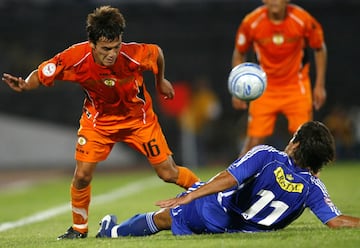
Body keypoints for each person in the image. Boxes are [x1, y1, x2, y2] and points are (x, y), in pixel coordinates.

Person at [1, 6, 200, 239]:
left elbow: (157, 54)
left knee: (168, 173)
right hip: (98, 123)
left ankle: (211, 195)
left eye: (116, 47)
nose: (112, 54)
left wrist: (160, 81)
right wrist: (25, 84)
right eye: (106, 48)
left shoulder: (133, 53)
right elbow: (43, 72)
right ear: (92, 44)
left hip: (138, 120)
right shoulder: (75, 58)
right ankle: (79, 229)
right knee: (82, 175)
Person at [95, 121, 360, 238]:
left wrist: (192, 194)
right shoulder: (313, 188)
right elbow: (336, 221)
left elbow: (229, 178)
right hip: (248, 231)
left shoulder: (267, 155)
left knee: (166, 216)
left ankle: (112, 232)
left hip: (215, 214)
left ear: (295, 143)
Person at [231, 0, 327, 156]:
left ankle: (308, 180)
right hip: (264, 89)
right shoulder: (252, 22)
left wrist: (320, 85)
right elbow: (239, 53)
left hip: (296, 87)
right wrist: (238, 89)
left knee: (305, 142)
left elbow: (319, 47)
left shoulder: (302, 19)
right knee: (253, 143)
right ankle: (240, 180)